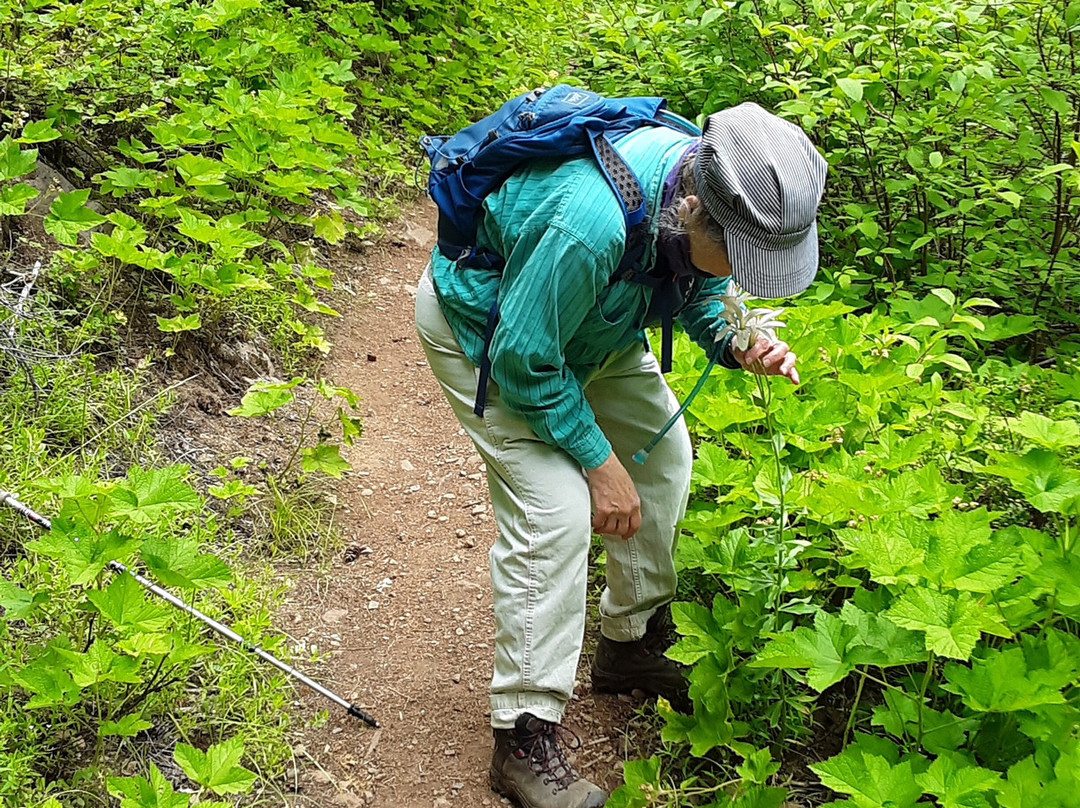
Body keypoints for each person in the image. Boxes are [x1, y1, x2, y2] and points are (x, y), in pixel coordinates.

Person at [414, 99, 828, 808]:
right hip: (492, 335)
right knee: (556, 512)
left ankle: (629, 642)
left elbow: (693, 281)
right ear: (693, 209)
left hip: (592, 325)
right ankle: (522, 736)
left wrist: (736, 340)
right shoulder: (588, 223)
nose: (746, 275)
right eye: (741, 255)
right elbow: (524, 360)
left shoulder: (689, 194)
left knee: (663, 461)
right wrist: (600, 466)